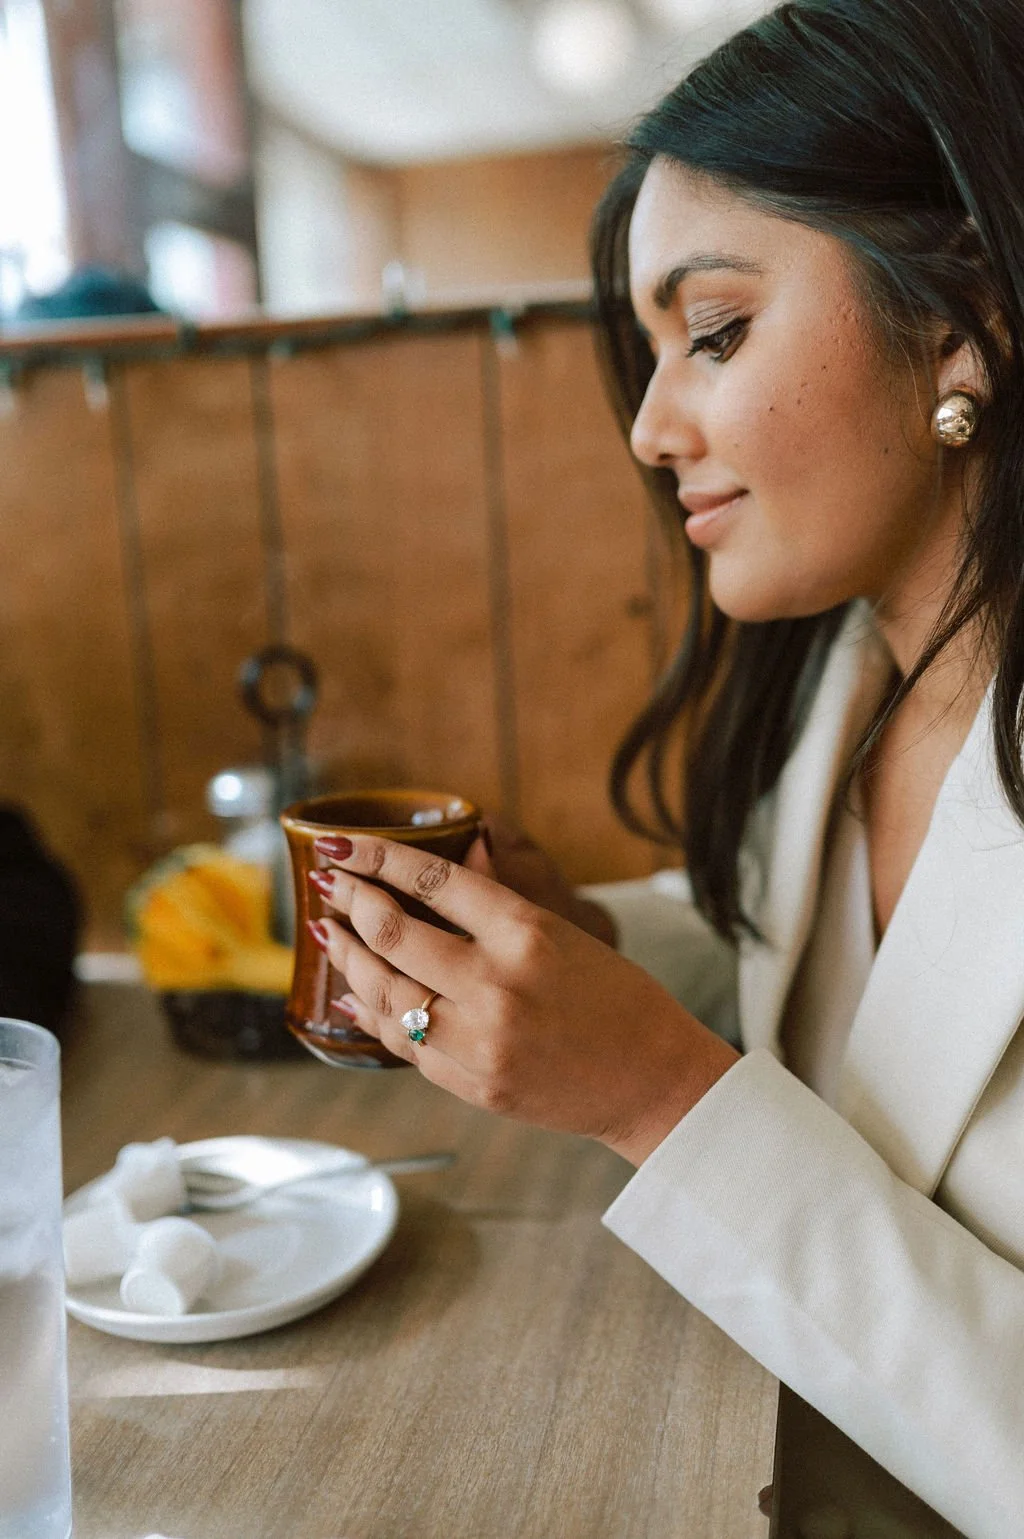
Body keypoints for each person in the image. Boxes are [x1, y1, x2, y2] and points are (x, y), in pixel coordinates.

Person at [303, 3, 1024, 1534]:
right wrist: (584, 945)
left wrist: (656, 1095)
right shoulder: (847, 680)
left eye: (714, 330)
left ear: (962, 317)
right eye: (648, 356)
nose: (647, 427)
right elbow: (851, 1003)